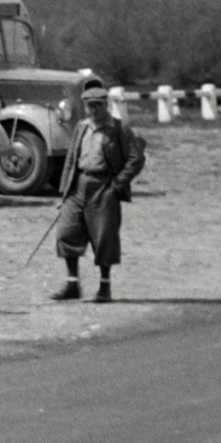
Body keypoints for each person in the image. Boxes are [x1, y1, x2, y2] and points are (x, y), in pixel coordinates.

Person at [51, 82, 145, 303]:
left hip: (103, 186)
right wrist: (64, 190)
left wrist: (118, 184)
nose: (93, 111)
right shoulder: (81, 127)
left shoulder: (119, 129)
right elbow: (71, 159)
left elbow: (136, 159)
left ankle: (105, 287)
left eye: (97, 106)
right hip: (78, 185)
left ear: (106, 105)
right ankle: (72, 284)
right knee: (66, 232)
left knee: (104, 237)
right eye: (89, 106)